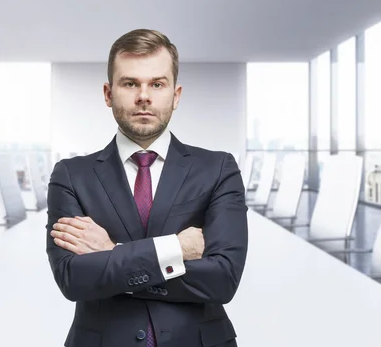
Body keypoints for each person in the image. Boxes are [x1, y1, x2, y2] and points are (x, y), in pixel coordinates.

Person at [46, 29, 248, 347]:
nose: (144, 96)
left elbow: (222, 280)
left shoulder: (218, 169)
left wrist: (111, 255)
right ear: (108, 93)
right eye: (130, 83)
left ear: (175, 95)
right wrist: (176, 251)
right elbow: (74, 279)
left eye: (157, 83)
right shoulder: (72, 176)